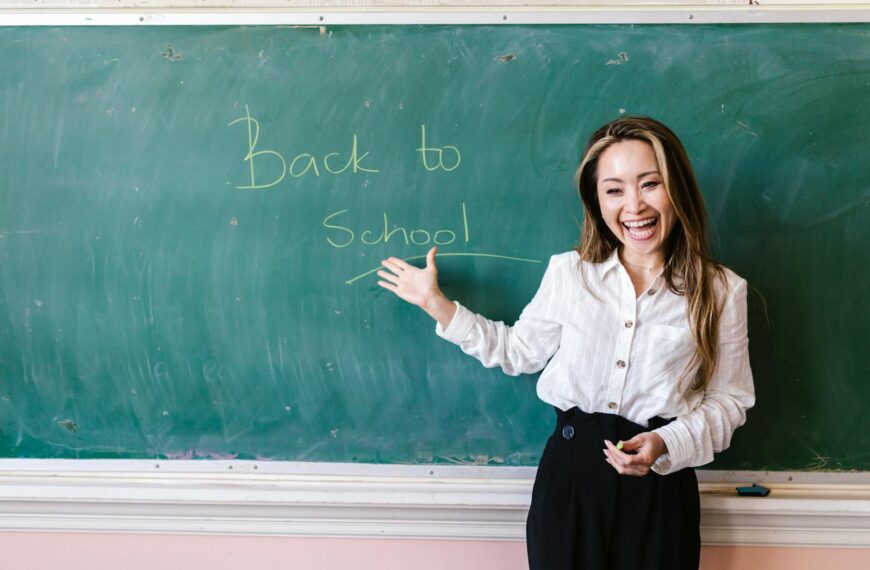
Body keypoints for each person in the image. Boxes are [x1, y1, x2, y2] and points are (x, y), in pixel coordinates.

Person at [376, 116, 755, 570]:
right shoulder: (569, 273)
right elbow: (517, 352)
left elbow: (730, 401)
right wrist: (437, 304)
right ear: (597, 201)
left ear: (677, 189)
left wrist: (666, 442)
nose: (634, 205)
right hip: (570, 479)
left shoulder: (721, 290)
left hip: (660, 485)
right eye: (614, 189)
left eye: (650, 183)